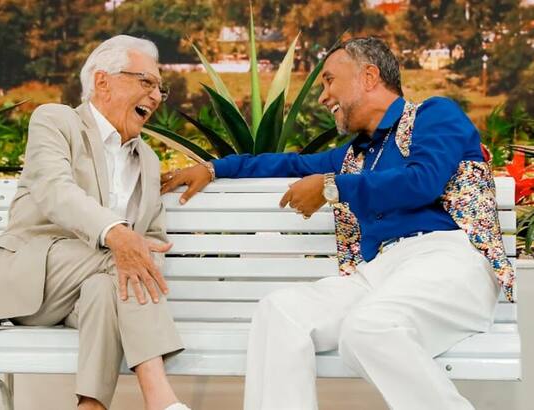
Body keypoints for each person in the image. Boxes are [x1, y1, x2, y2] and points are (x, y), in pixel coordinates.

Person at [161, 37, 514, 410]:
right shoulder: (355, 154)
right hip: (382, 272)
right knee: (280, 311)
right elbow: (287, 164)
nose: (323, 96)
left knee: (366, 328)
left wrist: (332, 188)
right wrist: (214, 167)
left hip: (449, 261)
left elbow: (421, 181)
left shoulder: (433, 116)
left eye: (329, 80)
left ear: (368, 76)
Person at [0, 35, 190, 410]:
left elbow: (151, 239)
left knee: (110, 285)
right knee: (123, 255)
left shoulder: (149, 162)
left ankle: (90, 406)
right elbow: (55, 190)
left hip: (90, 294)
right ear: (103, 81)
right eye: (146, 82)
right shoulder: (56, 120)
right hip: (34, 278)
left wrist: (134, 246)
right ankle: (161, 400)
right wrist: (119, 235)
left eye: (160, 88)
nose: (156, 96)